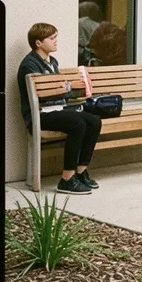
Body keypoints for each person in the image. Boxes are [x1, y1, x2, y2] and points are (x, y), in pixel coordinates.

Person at [16, 23, 102, 195]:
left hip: (57, 109)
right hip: (40, 114)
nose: (56, 41)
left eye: (56, 37)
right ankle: (67, 179)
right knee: (77, 123)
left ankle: (80, 171)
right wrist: (64, 87)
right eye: (51, 38)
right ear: (38, 43)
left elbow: (60, 90)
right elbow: (42, 93)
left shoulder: (52, 62)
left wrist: (75, 88)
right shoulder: (29, 64)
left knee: (94, 121)